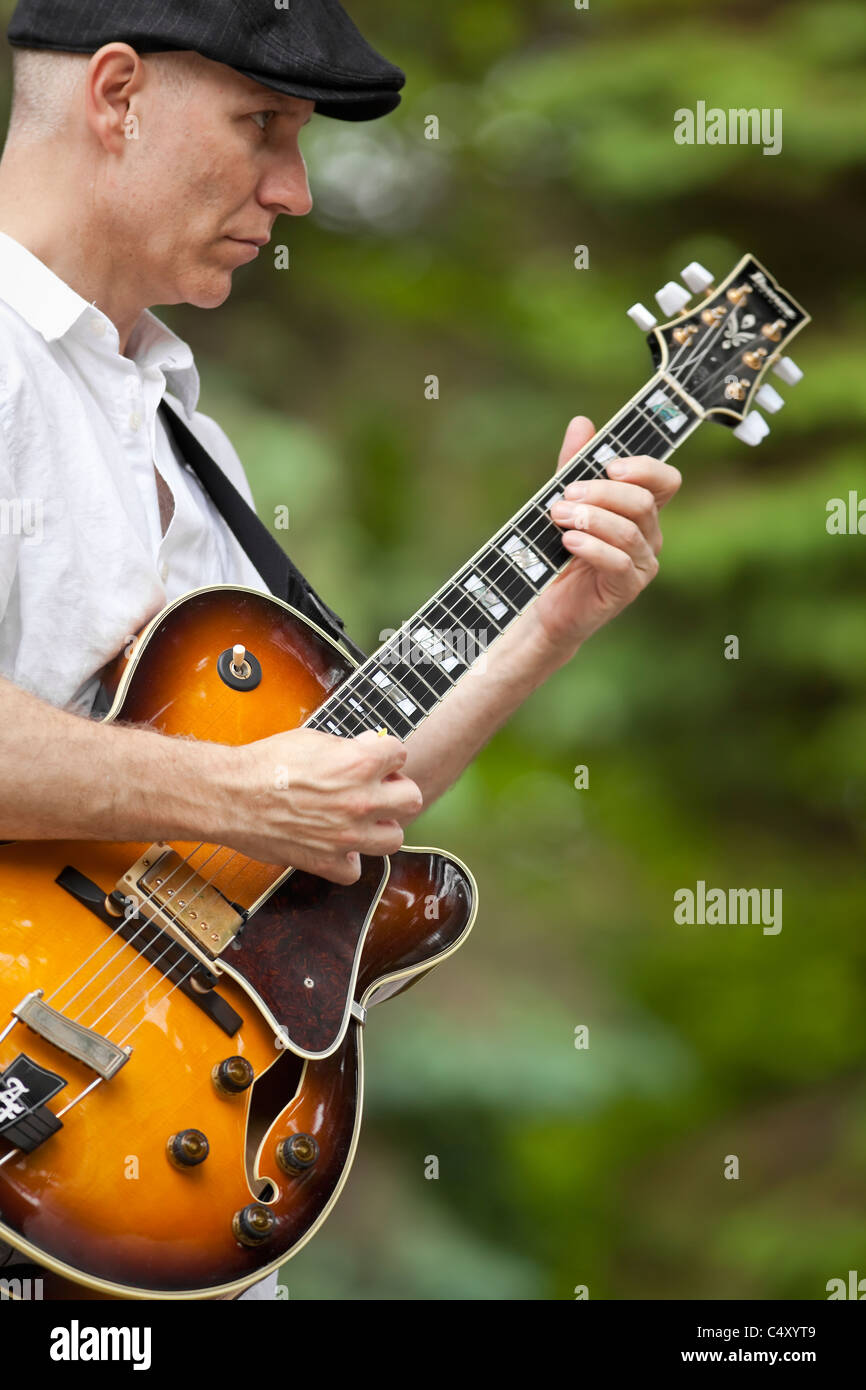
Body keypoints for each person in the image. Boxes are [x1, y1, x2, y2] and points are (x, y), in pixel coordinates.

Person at [0, 0, 681, 1300]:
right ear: (115, 93)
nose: (296, 191)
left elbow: (322, 805)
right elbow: (247, 795)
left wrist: (551, 621)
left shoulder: (181, 430)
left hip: (165, 1190)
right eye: (263, 126)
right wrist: (230, 791)